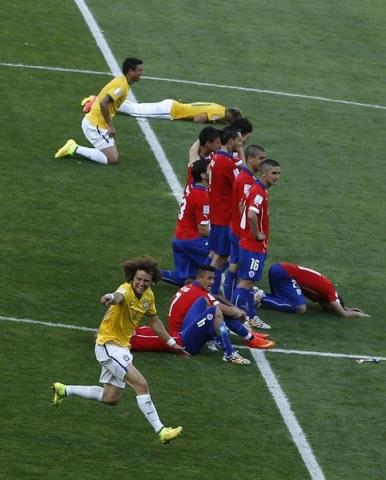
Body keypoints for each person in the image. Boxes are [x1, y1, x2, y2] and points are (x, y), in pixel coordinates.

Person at [51, 256, 186, 444]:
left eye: (146, 281)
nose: (141, 283)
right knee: (141, 385)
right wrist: (110, 297)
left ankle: (64, 390)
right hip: (107, 346)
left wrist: (172, 344)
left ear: (151, 281)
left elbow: (153, 321)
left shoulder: (148, 297)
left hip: (121, 347)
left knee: (110, 397)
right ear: (132, 277)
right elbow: (118, 296)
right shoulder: (125, 290)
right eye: (138, 279)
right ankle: (161, 430)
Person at [131, 265, 275, 355]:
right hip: (182, 333)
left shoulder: (192, 288)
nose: (212, 282)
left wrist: (234, 309)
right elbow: (221, 308)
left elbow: (216, 297)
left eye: (213, 279)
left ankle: (249, 335)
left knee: (216, 306)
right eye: (209, 279)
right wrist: (238, 312)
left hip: (179, 328)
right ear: (199, 278)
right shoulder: (198, 293)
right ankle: (248, 339)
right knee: (216, 310)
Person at [55, 57, 144, 165]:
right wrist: (110, 125)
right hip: (95, 125)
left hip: (96, 121)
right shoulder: (121, 86)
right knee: (112, 159)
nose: (141, 73)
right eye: (139, 70)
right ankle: (73, 148)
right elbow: (103, 103)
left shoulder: (122, 81)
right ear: (131, 71)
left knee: (112, 156)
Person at [232, 159, 281, 327]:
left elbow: (242, 208)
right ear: (264, 173)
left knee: (249, 282)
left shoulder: (258, 189)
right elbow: (252, 214)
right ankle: (237, 320)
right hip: (253, 246)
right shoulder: (259, 191)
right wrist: (256, 233)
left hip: (250, 245)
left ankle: (250, 317)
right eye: (274, 173)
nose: (277, 177)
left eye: (279, 173)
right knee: (245, 283)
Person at [223, 145, 267, 303]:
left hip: (235, 228)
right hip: (240, 232)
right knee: (241, 274)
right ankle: (234, 303)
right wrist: (252, 234)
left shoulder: (244, 176)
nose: (263, 162)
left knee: (234, 268)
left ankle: (229, 300)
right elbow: (246, 210)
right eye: (260, 158)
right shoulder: (247, 181)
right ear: (250, 159)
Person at [162, 158, 211, 286]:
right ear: (203, 175)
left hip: (179, 239)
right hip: (190, 240)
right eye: (210, 169)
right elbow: (203, 229)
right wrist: (221, 240)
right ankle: (220, 289)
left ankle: (150, 272)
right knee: (222, 254)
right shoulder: (202, 196)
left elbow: (192, 156)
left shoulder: (191, 186)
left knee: (183, 278)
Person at [259, 262, 371, 317]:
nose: (327, 309)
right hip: (284, 273)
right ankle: (259, 297)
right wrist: (357, 314)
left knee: (285, 300)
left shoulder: (321, 295)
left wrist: (348, 308)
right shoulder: (330, 290)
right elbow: (342, 314)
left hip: (281, 270)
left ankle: (255, 295)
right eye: (330, 309)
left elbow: (338, 306)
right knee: (300, 308)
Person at [208, 127, 243, 294]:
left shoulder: (217, 158)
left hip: (217, 213)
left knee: (215, 255)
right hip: (224, 216)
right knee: (220, 259)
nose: (241, 143)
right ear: (231, 141)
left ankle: (204, 288)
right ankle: (210, 292)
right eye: (238, 140)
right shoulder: (226, 162)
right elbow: (242, 184)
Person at [116, 99, 242, 123]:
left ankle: (108, 100)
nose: (231, 122)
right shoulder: (219, 114)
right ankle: (104, 102)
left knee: (138, 107)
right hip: (171, 111)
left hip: (173, 105)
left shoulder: (220, 108)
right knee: (136, 111)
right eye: (232, 120)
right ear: (230, 115)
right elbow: (197, 119)